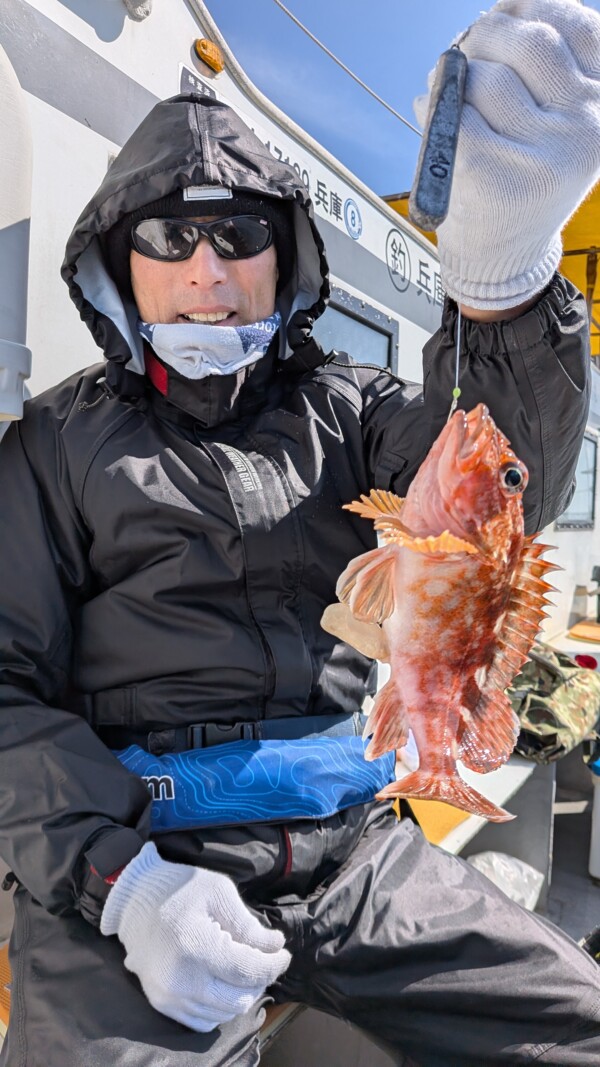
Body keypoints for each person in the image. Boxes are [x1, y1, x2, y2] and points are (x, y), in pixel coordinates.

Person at [0, 1, 599, 1064]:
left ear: (285, 257)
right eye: (166, 235)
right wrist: (118, 881)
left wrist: (502, 288)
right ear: (117, 261)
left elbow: (487, 490)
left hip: (353, 853)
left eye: (241, 233)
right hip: (143, 858)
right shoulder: (52, 441)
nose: (207, 267)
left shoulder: (353, 406)